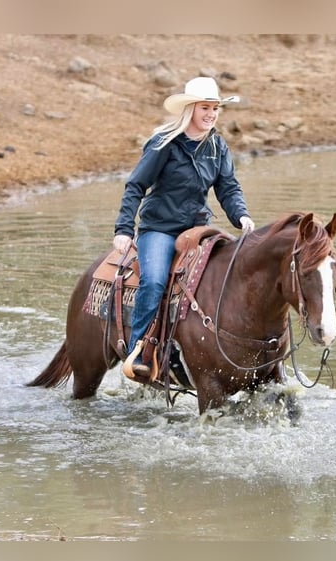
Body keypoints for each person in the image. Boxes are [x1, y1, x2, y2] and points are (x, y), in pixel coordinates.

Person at [113, 76, 255, 379]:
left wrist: (241, 216)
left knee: (228, 274)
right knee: (153, 282)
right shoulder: (163, 144)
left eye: (215, 108)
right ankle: (139, 352)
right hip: (160, 228)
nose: (211, 114)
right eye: (205, 107)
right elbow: (136, 185)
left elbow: (228, 188)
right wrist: (124, 229)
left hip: (198, 228)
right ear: (190, 108)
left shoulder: (217, 146)